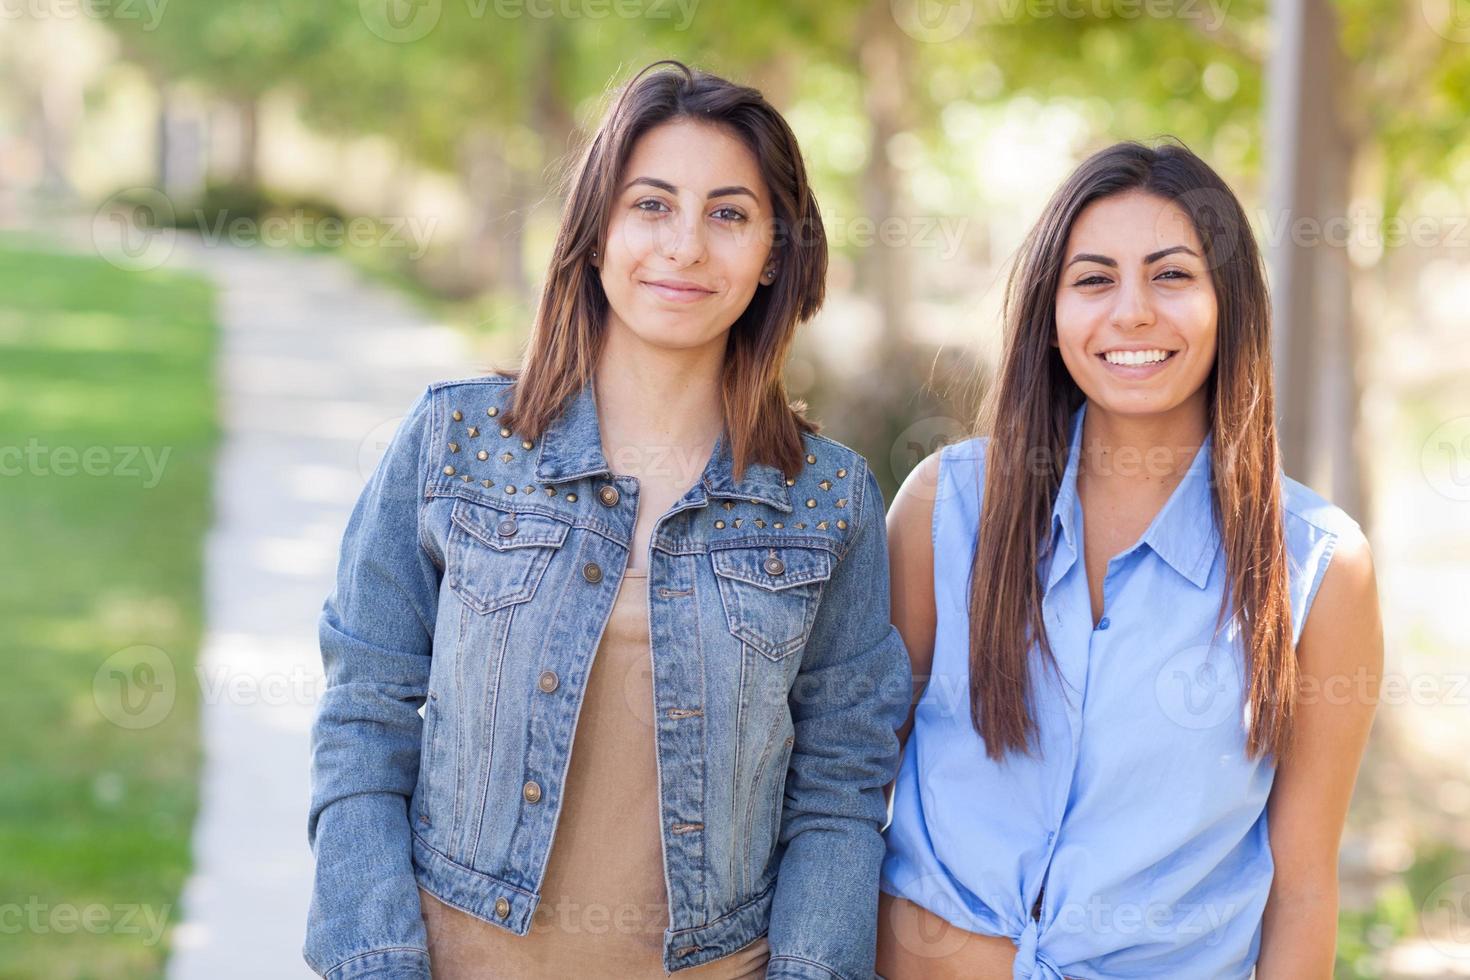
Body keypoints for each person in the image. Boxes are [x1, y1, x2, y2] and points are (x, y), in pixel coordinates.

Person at [304, 59, 910, 980]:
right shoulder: (455, 442)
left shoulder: (829, 500)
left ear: (775, 254)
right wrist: (376, 961)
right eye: (652, 205)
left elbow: (841, 786)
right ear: (596, 234)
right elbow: (363, 717)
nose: (685, 247)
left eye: (729, 214)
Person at [877, 141, 1382, 979]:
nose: (1134, 312)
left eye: (1173, 275)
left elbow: (1300, 890)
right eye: (1094, 279)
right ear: (1051, 310)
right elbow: (846, 790)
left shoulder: (1319, 567)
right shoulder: (945, 509)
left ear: (1231, 304)